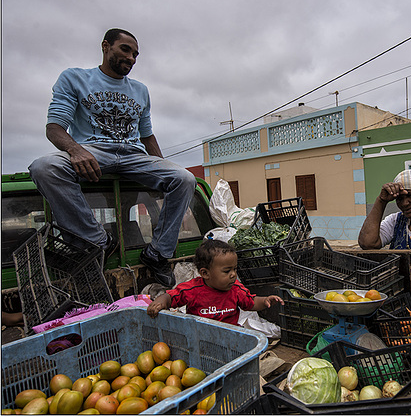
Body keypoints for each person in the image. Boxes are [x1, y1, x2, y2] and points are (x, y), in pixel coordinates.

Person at [28, 28, 196, 288]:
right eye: (125, 50)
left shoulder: (141, 90)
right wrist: (76, 150)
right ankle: (98, 241)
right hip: (93, 152)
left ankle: (157, 254)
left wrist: (163, 170)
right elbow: (54, 128)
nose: (131, 58)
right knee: (44, 167)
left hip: (132, 155)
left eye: (136, 54)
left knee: (184, 178)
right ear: (106, 46)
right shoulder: (74, 78)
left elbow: (147, 136)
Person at [147, 239, 283, 326]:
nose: (233, 274)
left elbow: (251, 302)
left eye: (235, 269)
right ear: (205, 273)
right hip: (199, 337)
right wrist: (160, 302)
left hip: (230, 336)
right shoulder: (192, 289)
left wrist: (265, 300)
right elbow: (170, 296)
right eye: (227, 271)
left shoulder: (236, 289)